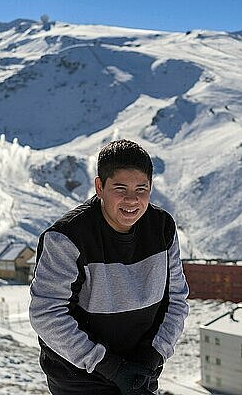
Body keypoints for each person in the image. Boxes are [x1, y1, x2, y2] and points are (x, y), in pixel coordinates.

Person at [29, 139, 190, 395]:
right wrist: (112, 368)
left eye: (141, 189)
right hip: (79, 379)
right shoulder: (68, 238)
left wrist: (152, 356)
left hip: (139, 371)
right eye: (120, 188)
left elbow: (176, 301)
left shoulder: (162, 228)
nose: (131, 199)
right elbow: (47, 314)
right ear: (99, 187)